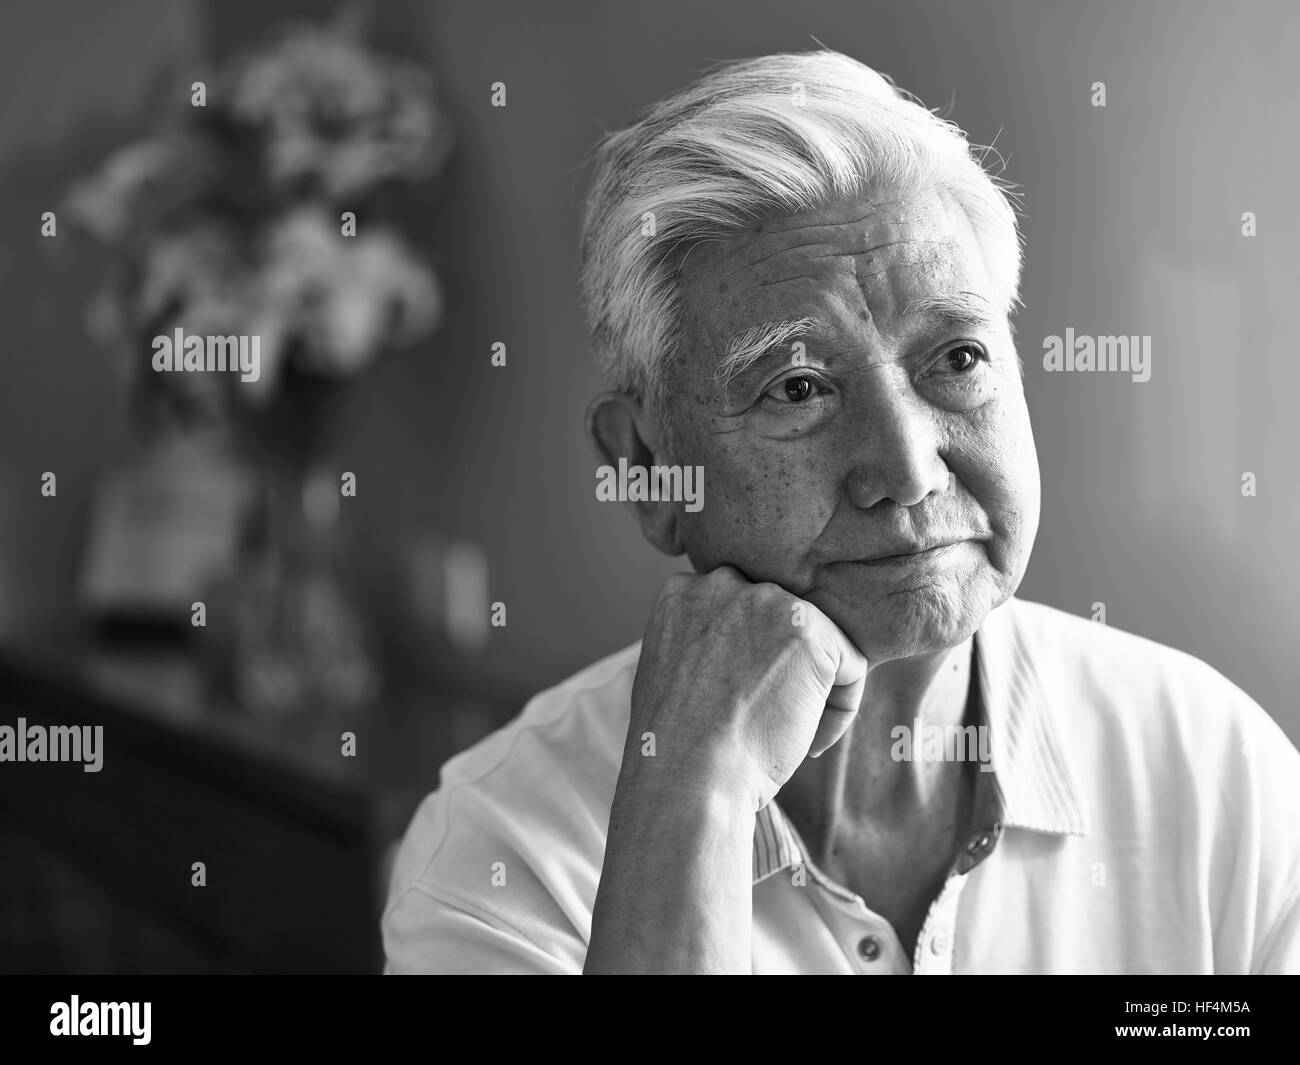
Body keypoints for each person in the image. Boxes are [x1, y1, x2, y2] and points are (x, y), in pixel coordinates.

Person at [382, 50, 1300, 974]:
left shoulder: (1217, 770)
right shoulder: (502, 860)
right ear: (648, 467)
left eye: (958, 358)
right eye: (797, 387)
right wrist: (694, 799)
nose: (905, 468)